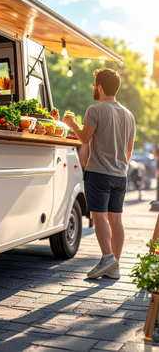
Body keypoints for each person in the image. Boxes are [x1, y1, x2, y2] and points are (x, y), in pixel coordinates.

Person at [63, 68, 135, 279]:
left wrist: (71, 124)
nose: (93, 88)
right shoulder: (129, 115)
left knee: (99, 216)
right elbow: (129, 151)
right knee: (116, 219)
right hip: (120, 175)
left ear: (100, 87)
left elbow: (84, 138)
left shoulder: (94, 110)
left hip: (98, 173)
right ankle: (115, 267)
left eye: (94, 84)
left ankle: (107, 258)